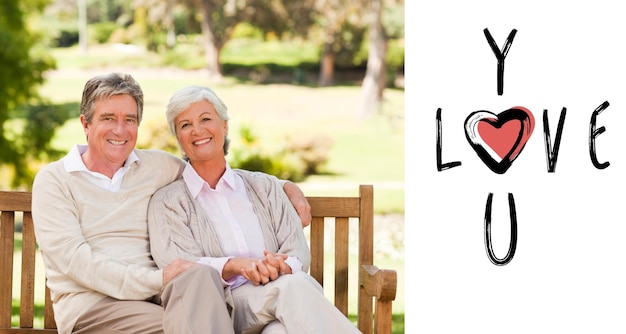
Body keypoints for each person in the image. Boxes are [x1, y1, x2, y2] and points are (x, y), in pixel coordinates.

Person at [31, 73, 311, 334]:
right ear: (85, 123)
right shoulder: (54, 181)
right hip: (94, 306)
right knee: (196, 323)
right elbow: (78, 263)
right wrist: (157, 279)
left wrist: (284, 186)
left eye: (129, 119)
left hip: (160, 298)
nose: (120, 130)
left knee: (200, 276)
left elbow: (215, 171)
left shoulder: (156, 166)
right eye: (108, 118)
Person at [147, 85, 361, 334]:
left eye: (206, 119)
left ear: (224, 125)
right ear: (178, 138)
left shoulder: (266, 187)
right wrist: (237, 266)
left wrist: (279, 267)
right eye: (185, 125)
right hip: (223, 308)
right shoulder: (168, 202)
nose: (197, 130)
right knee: (294, 286)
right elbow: (180, 267)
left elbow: (297, 251)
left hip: (277, 304)